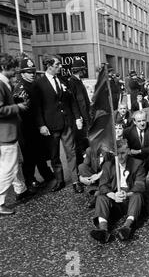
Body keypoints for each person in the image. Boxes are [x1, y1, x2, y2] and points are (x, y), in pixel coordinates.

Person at [34, 55, 84, 193]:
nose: (61, 67)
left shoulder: (63, 81)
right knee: (54, 155)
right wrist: (41, 125)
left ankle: (75, 180)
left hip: (66, 123)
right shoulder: (39, 84)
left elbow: (72, 100)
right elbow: (37, 107)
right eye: (57, 64)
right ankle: (60, 180)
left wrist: (77, 117)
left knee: (71, 152)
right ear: (49, 66)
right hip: (50, 126)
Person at [90, 139, 147, 243]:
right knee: (101, 197)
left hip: (130, 199)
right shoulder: (108, 165)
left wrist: (127, 194)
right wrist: (113, 195)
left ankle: (127, 227)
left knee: (138, 196)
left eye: (123, 153)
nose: (120, 157)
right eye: (117, 154)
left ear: (128, 151)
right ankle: (103, 230)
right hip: (114, 199)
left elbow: (140, 185)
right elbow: (102, 185)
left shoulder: (138, 164)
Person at [13, 55, 54, 191]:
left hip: (36, 125)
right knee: (29, 155)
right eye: (29, 72)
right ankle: (30, 180)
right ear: (22, 73)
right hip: (25, 127)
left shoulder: (34, 85)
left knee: (40, 152)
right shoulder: (20, 88)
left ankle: (46, 174)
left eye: (33, 72)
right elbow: (23, 111)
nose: (32, 75)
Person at [0, 53, 34, 215]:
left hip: (9, 133)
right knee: (9, 169)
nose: (15, 71)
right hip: (5, 135)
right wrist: (18, 107)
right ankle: (0, 201)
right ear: (3, 68)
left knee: (16, 164)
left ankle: (21, 190)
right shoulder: (0, 84)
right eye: (12, 68)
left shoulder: (5, 83)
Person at [123, 110, 149, 191]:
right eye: (139, 121)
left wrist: (140, 151)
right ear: (134, 122)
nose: (142, 123)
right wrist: (129, 151)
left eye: (143, 120)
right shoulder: (127, 132)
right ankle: (135, 187)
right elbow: (125, 148)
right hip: (135, 158)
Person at [67, 56, 91, 166]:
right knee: (79, 145)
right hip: (79, 119)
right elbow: (74, 102)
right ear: (79, 70)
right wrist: (78, 117)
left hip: (84, 117)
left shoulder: (78, 81)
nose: (84, 72)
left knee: (85, 143)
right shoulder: (72, 82)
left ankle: (85, 166)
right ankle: (80, 168)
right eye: (83, 70)